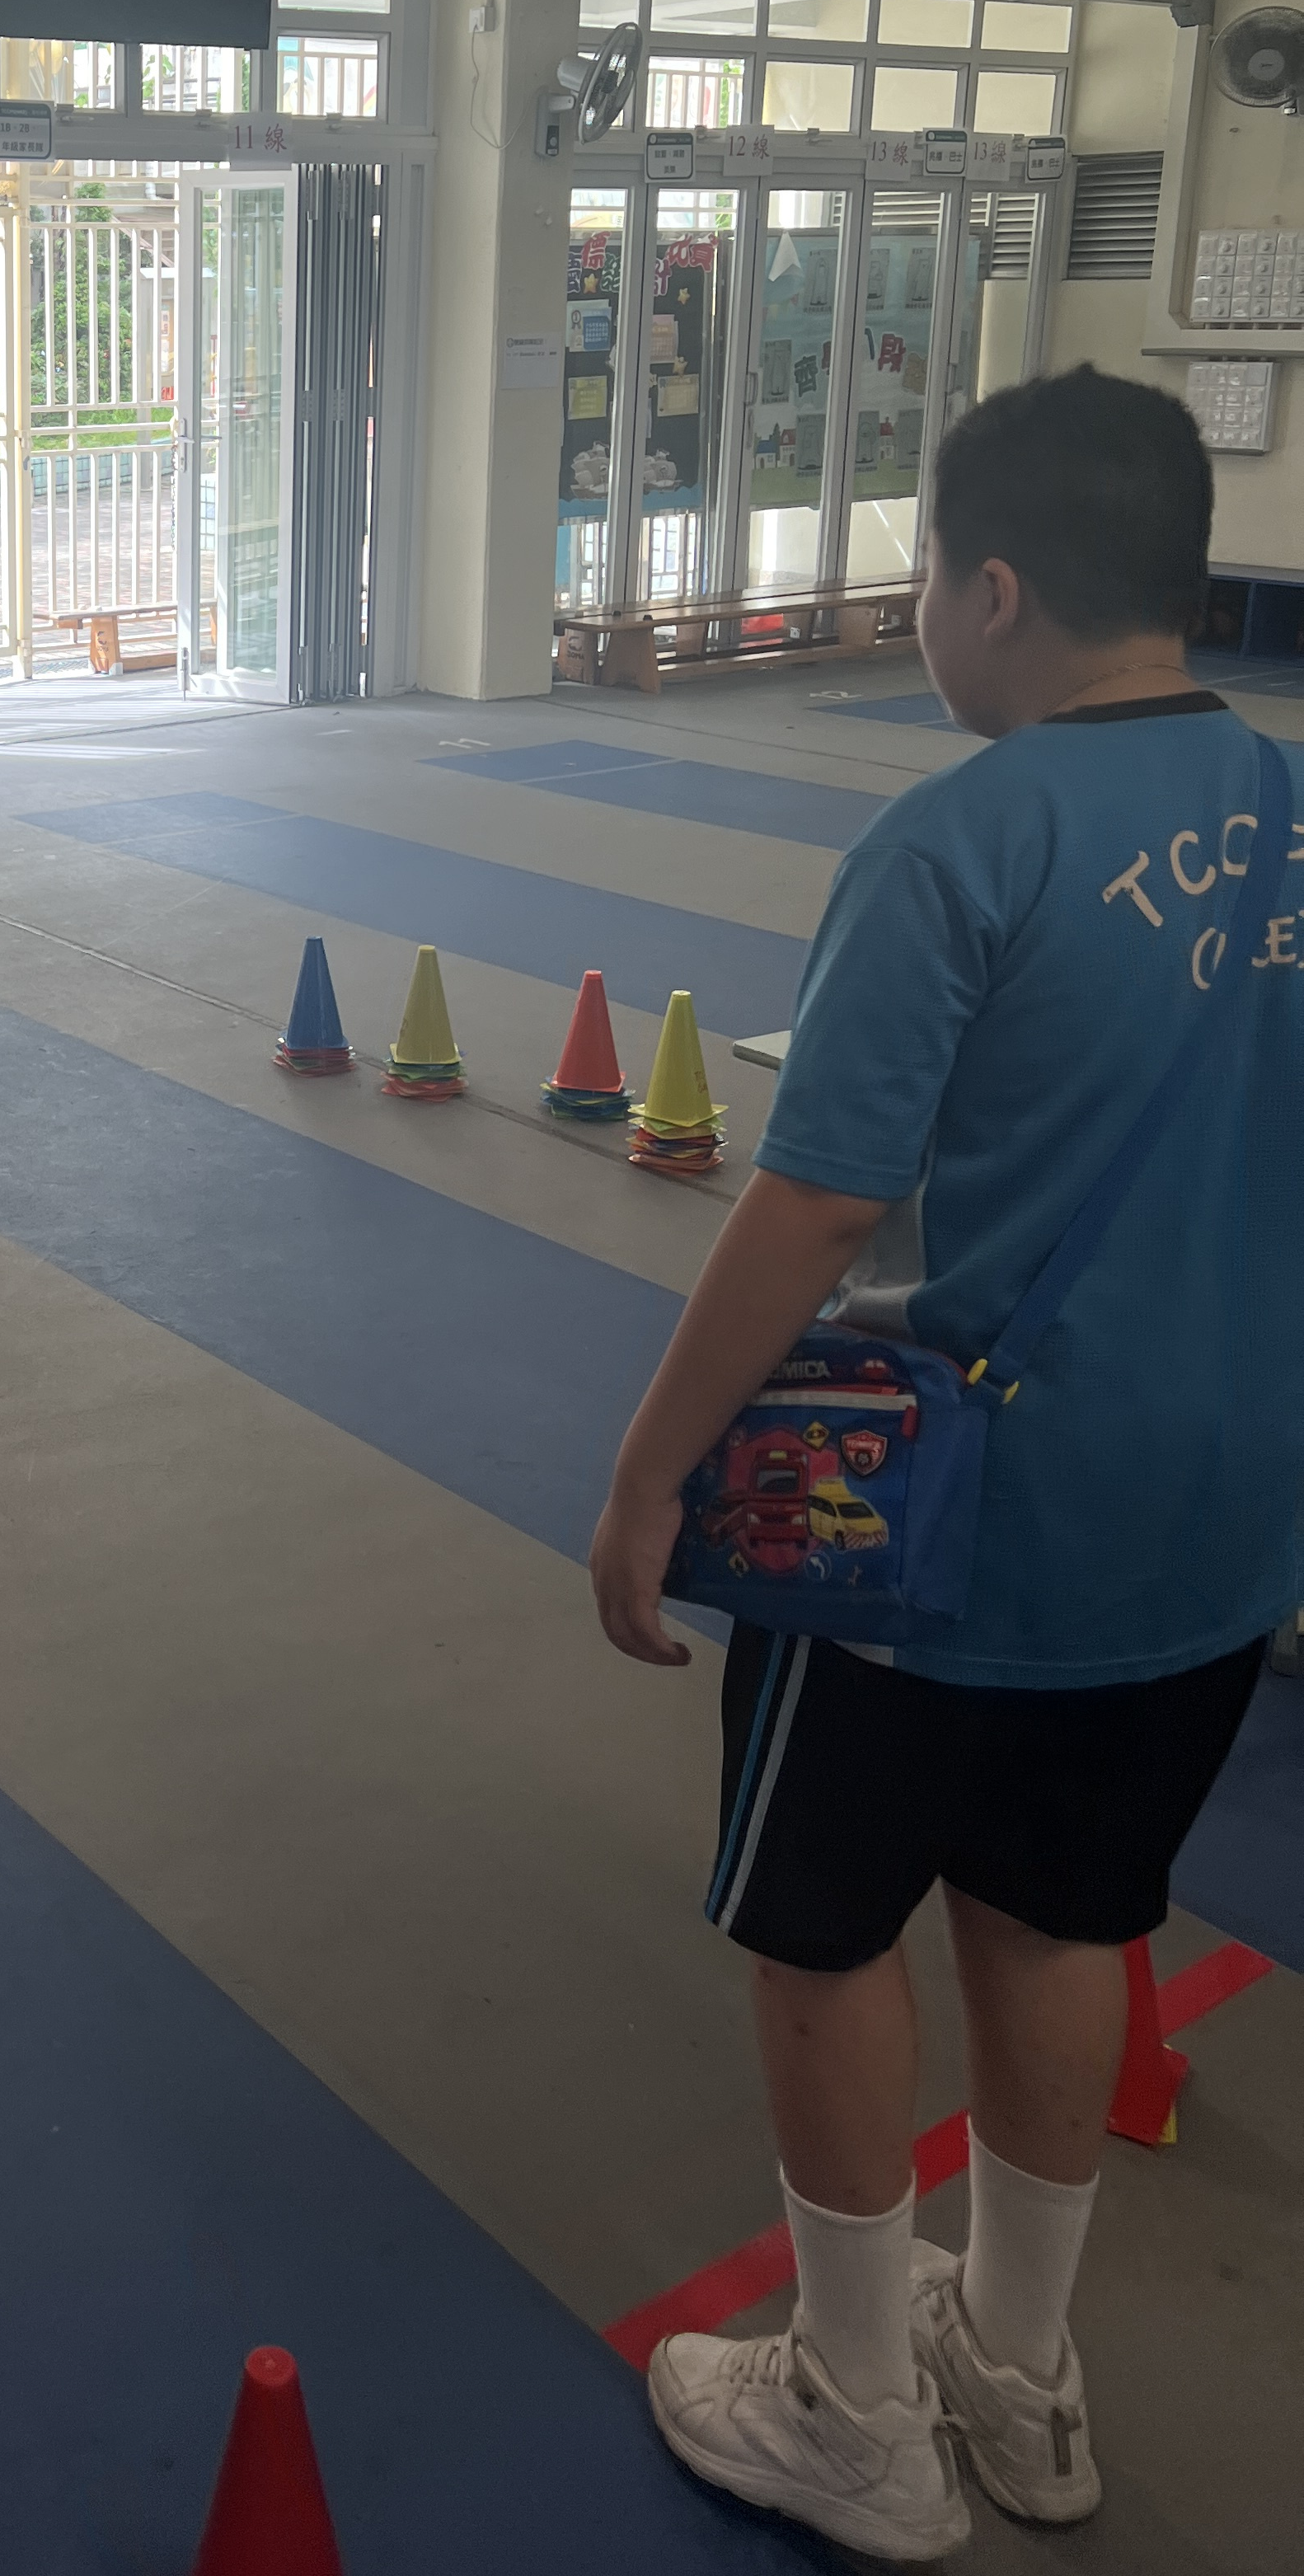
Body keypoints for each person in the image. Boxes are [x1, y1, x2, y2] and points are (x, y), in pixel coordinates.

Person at [589, 367, 1298, 2563]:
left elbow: (815, 1205)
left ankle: (858, 2410)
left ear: (993, 591)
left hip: (942, 1530)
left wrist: (649, 1477)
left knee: (823, 1932)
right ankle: (1022, 2369)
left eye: (922, 579)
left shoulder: (961, 842)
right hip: (1217, 1512)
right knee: (1067, 1913)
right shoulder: (1288, 809)